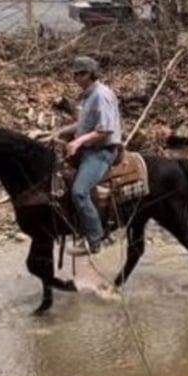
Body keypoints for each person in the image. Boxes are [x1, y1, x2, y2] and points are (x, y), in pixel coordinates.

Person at [47, 56, 123, 256]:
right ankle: (79, 227)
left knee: (79, 192)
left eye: (80, 74)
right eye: (75, 74)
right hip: (89, 149)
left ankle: (96, 239)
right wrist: (60, 132)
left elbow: (104, 130)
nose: (76, 78)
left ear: (90, 74)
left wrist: (78, 141)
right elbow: (83, 124)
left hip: (102, 151)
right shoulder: (88, 96)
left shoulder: (101, 95)